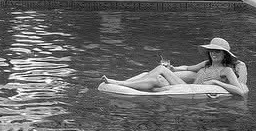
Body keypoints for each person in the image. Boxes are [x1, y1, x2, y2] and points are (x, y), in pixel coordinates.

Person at [101, 37, 248, 98]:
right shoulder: (206, 64)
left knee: (160, 73)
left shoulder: (227, 70)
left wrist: (216, 82)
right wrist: (174, 68)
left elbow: (240, 92)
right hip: (186, 86)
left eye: (217, 52)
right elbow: (188, 68)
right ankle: (124, 84)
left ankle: (121, 83)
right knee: (158, 74)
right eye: (212, 51)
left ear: (224, 54)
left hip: (195, 90)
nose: (214, 54)